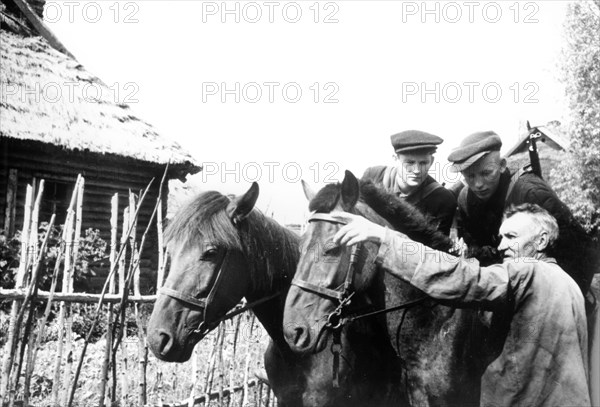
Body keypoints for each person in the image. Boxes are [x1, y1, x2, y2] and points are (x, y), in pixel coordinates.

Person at [331, 203, 590, 407]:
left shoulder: (528, 271)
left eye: (511, 236)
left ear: (542, 241)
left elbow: (466, 280)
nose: (501, 246)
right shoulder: (569, 284)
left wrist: (386, 239)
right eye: (500, 237)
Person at [447, 130, 598, 295]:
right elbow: (478, 251)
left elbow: (581, 251)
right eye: (470, 176)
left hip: (549, 288)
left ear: (502, 165)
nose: (478, 184)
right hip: (503, 288)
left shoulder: (531, 193)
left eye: (486, 173)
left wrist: (562, 299)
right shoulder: (465, 201)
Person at [362, 130, 456, 235]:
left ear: (432, 161)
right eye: (410, 162)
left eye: (423, 163)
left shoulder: (443, 199)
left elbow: (436, 247)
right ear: (395, 158)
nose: (417, 170)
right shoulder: (374, 177)